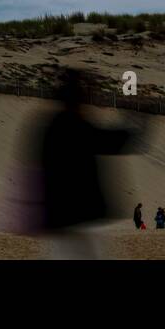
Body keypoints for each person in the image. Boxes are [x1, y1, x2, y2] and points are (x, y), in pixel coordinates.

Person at [34, 67, 144, 259]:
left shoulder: (48, 127)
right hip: (82, 218)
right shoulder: (75, 126)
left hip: (58, 219)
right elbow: (114, 142)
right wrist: (138, 120)